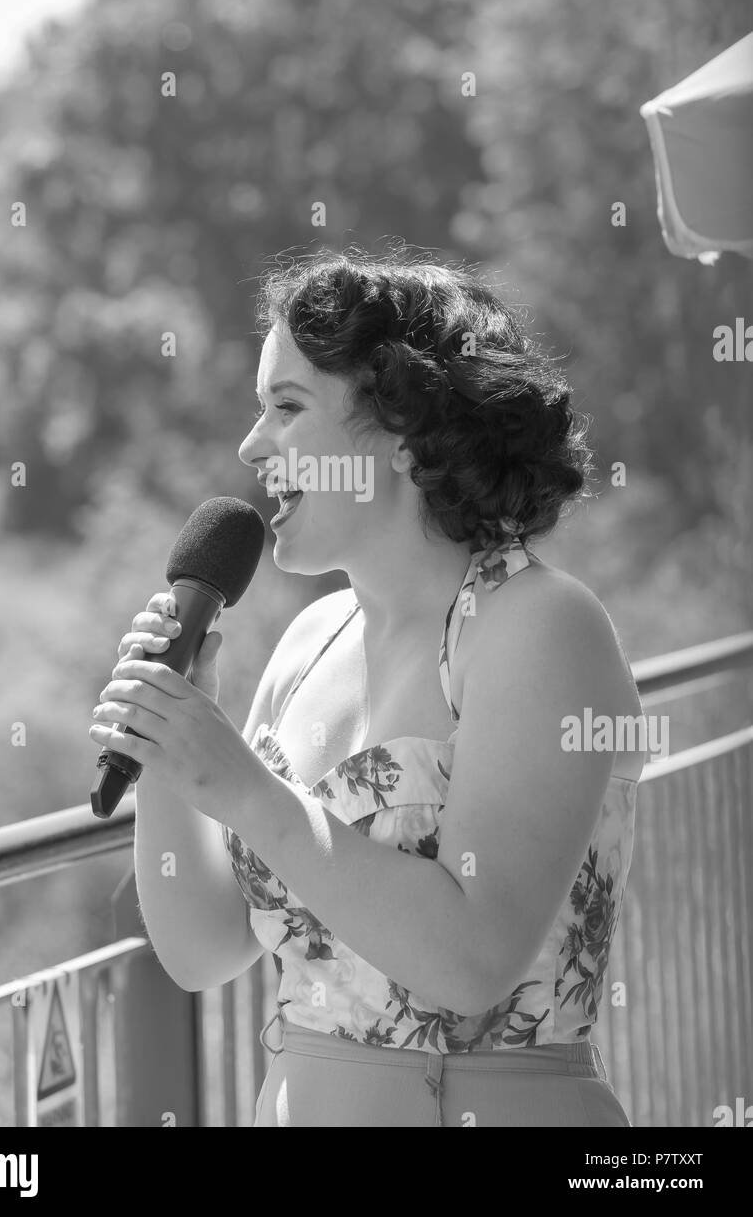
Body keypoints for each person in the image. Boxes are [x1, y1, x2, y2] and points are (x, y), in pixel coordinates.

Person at [89, 247, 645, 1127]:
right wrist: (170, 746)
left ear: (398, 425)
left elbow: (473, 959)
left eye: (286, 406)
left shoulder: (540, 625)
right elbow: (202, 952)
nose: (249, 444)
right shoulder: (309, 641)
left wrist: (239, 784)